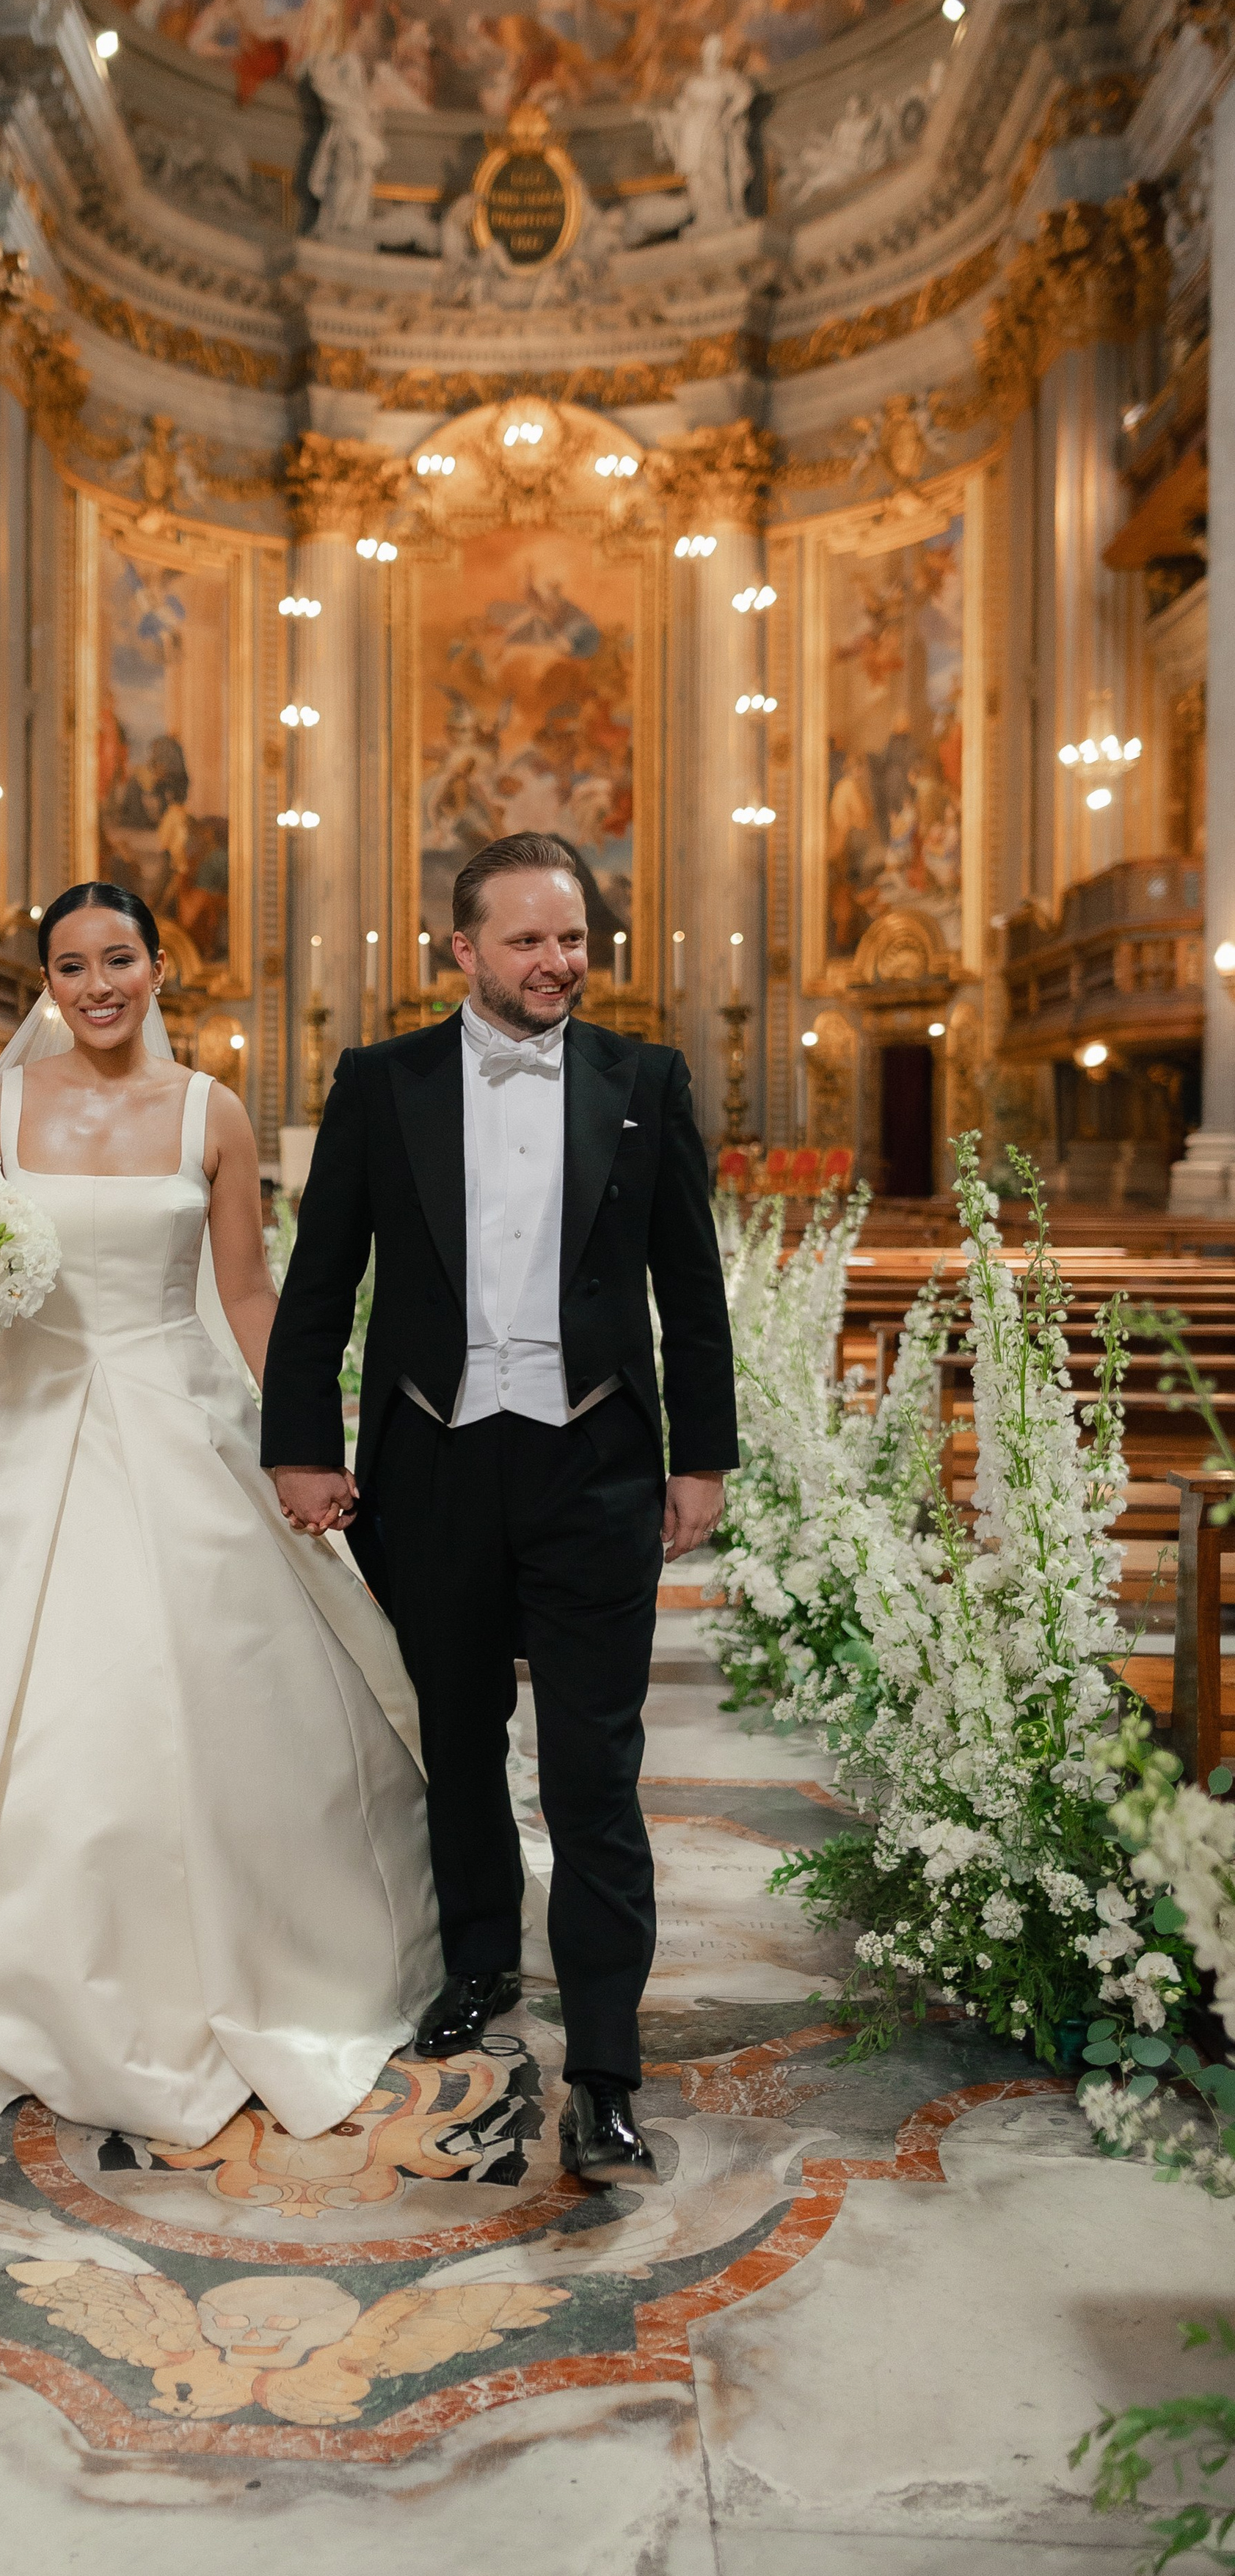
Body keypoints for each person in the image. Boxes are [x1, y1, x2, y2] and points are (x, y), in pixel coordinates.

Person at [0, 883, 438, 2183]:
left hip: (172, 1414)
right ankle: (4, 1991)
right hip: (25, 1425)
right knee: (15, 1703)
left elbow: (248, 1291)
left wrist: (305, 1437)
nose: (96, 985)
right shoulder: (2, 1106)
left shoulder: (211, 1111)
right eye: (70, 965)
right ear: (46, 981)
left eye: (118, 959)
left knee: (206, 1683)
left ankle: (255, 1965)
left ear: (158, 968)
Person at [261, 833, 737, 2186]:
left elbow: (691, 1288)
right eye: (527, 939)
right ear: (463, 948)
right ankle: (476, 1962)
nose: (556, 961)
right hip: (433, 1462)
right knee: (458, 1743)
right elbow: (321, 1278)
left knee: (594, 1770)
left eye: (572, 937)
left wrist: (702, 1458)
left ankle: (608, 2070)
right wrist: (300, 1446)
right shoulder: (383, 1081)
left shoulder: (645, 1081)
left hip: (596, 1466)